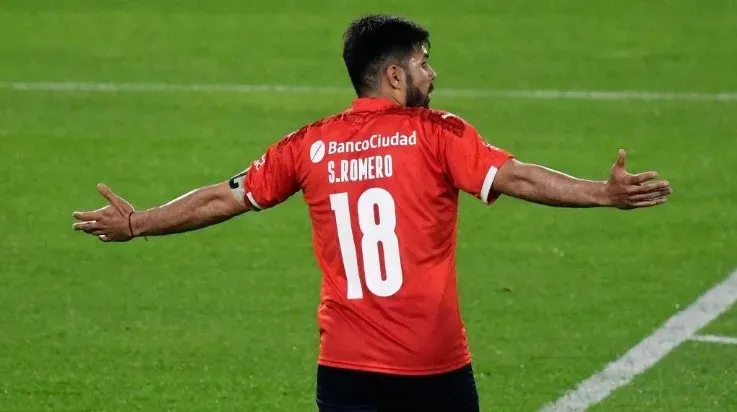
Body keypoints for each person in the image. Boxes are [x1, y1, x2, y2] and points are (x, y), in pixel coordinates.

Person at [72, 14, 672, 412]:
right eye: (423, 62)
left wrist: (138, 222)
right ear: (392, 74)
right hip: (435, 371)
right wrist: (604, 193)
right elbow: (514, 177)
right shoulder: (438, 134)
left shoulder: (308, 144)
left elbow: (226, 197)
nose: (432, 74)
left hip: (346, 374)